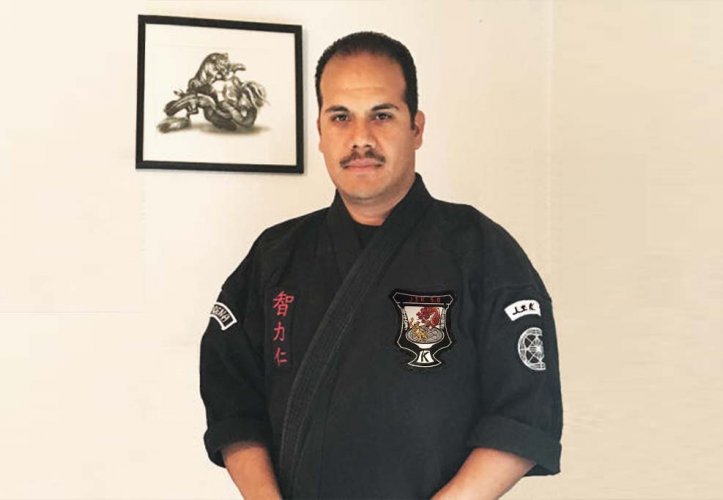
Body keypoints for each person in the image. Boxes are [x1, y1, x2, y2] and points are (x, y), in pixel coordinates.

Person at [200, 31, 562, 499]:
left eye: (382, 115)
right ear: (320, 132)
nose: (360, 139)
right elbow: (233, 402)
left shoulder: (483, 250)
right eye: (341, 117)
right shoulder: (276, 255)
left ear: (417, 127)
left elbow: (523, 415)